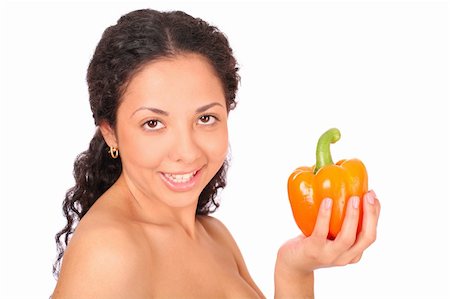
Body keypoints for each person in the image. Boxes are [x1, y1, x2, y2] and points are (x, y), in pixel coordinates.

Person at [51, 8, 381, 298]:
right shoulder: (109, 252)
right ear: (110, 132)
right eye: (153, 123)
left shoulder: (214, 235)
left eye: (205, 118)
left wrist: (295, 267)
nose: (186, 150)